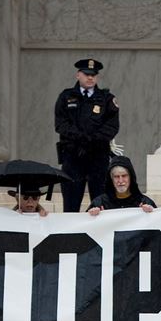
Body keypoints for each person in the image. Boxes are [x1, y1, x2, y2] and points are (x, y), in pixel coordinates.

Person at [55, 58, 121, 213]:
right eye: (86, 74)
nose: (90, 77)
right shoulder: (66, 97)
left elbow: (112, 127)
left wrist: (91, 140)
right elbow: (61, 124)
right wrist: (80, 138)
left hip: (98, 156)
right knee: (71, 204)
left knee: (101, 204)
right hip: (73, 156)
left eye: (93, 74)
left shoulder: (106, 98)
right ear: (78, 75)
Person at [87, 157, 155, 214]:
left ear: (130, 177)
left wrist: (151, 213)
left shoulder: (144, 202)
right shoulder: (100, 203)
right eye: (116, 176)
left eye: (124, 176)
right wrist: (92, 215)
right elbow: (85, 223)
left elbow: (157, 221)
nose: (120, 181)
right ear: (111, 179)